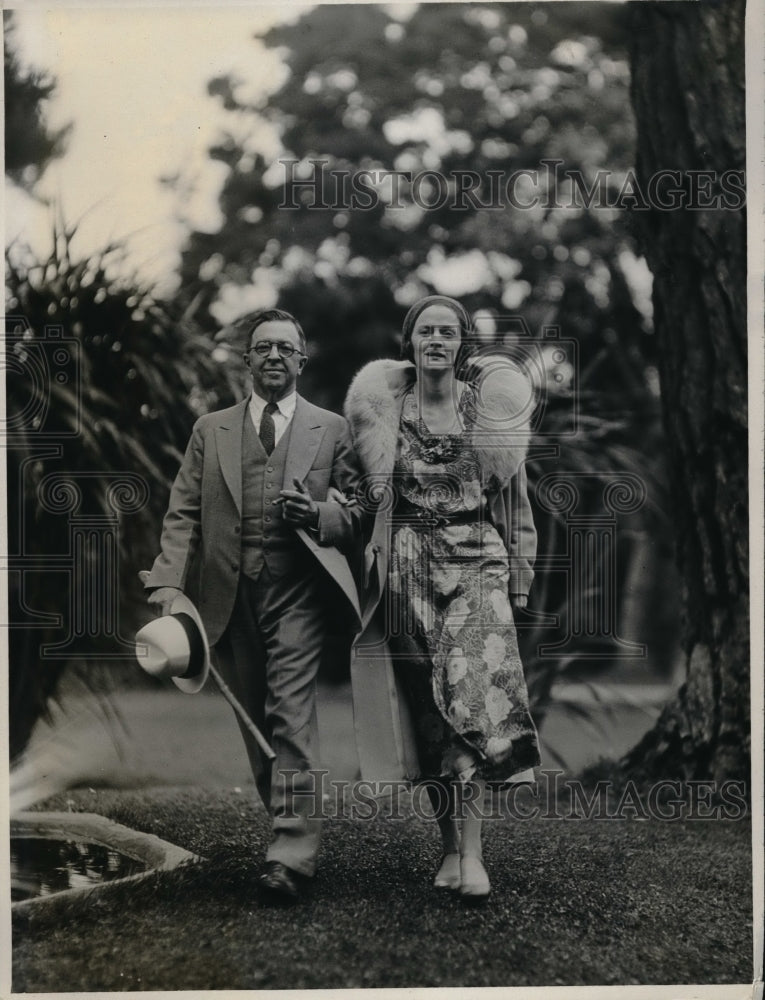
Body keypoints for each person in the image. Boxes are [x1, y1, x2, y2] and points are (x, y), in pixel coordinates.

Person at [144, 308, 362, 903]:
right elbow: (183, 512)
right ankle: (288, 821)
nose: (273, 356)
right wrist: (168, 585)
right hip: (225, 597)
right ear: (248, 360)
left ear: (302, 360)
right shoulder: (209, 429)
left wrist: (318, 514)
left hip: (298, 597)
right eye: (262, 347)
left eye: (285, 348)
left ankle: (291, 855)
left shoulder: (332, 429)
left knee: (291, 716)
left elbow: (359, 513)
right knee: (255, 723)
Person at [344, 294, 540, 901]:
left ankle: (475, 853)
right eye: (426, 331)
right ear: (411, 342)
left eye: (447, 332)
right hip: (407, 569)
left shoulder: (489, 410)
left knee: (473, 700)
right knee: (428, 713)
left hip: (477, 563)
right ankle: (448, 848)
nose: (436, 340)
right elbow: (358, 494)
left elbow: (516, 501)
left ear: (461, 344)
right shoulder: (381, 413)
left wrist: (522, 574)